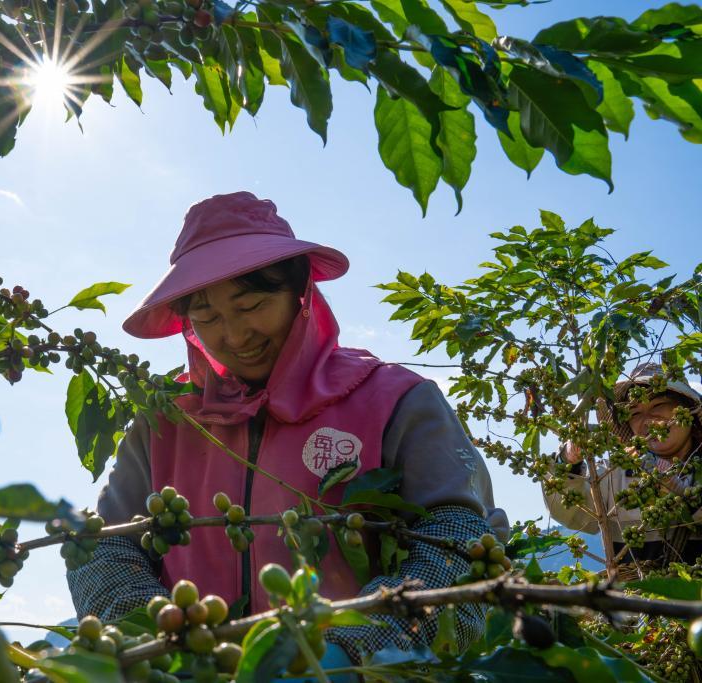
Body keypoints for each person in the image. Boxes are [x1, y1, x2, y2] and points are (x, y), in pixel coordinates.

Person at [66, 192, 509, 667]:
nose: (234, 336)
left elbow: (458, 535)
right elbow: (104, 547)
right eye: (207, 317)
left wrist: (352, 652)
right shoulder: (165, 423)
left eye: (252, 304)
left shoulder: (396, 400)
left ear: (300, 292)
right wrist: (166, 640)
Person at [544, 363, 702, 570]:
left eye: (658, 406)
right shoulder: (615, 474)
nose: (648, 421)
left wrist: (679, 491)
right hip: (635, 590)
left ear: (687, 409)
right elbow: (571, 513)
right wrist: (567, 460)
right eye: (635, 413)